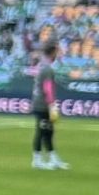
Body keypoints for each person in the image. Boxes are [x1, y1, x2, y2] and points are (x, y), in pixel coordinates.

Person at [31, 38, 68, 170]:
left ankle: (53, 159)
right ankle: (37, 160)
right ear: (53, 52)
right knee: (42, 131)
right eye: (57, 50)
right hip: (42, 105)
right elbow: (48, 88)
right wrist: (52, 105)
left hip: (40, 103)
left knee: (49, 132)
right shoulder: (47, 69)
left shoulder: (43, 66)